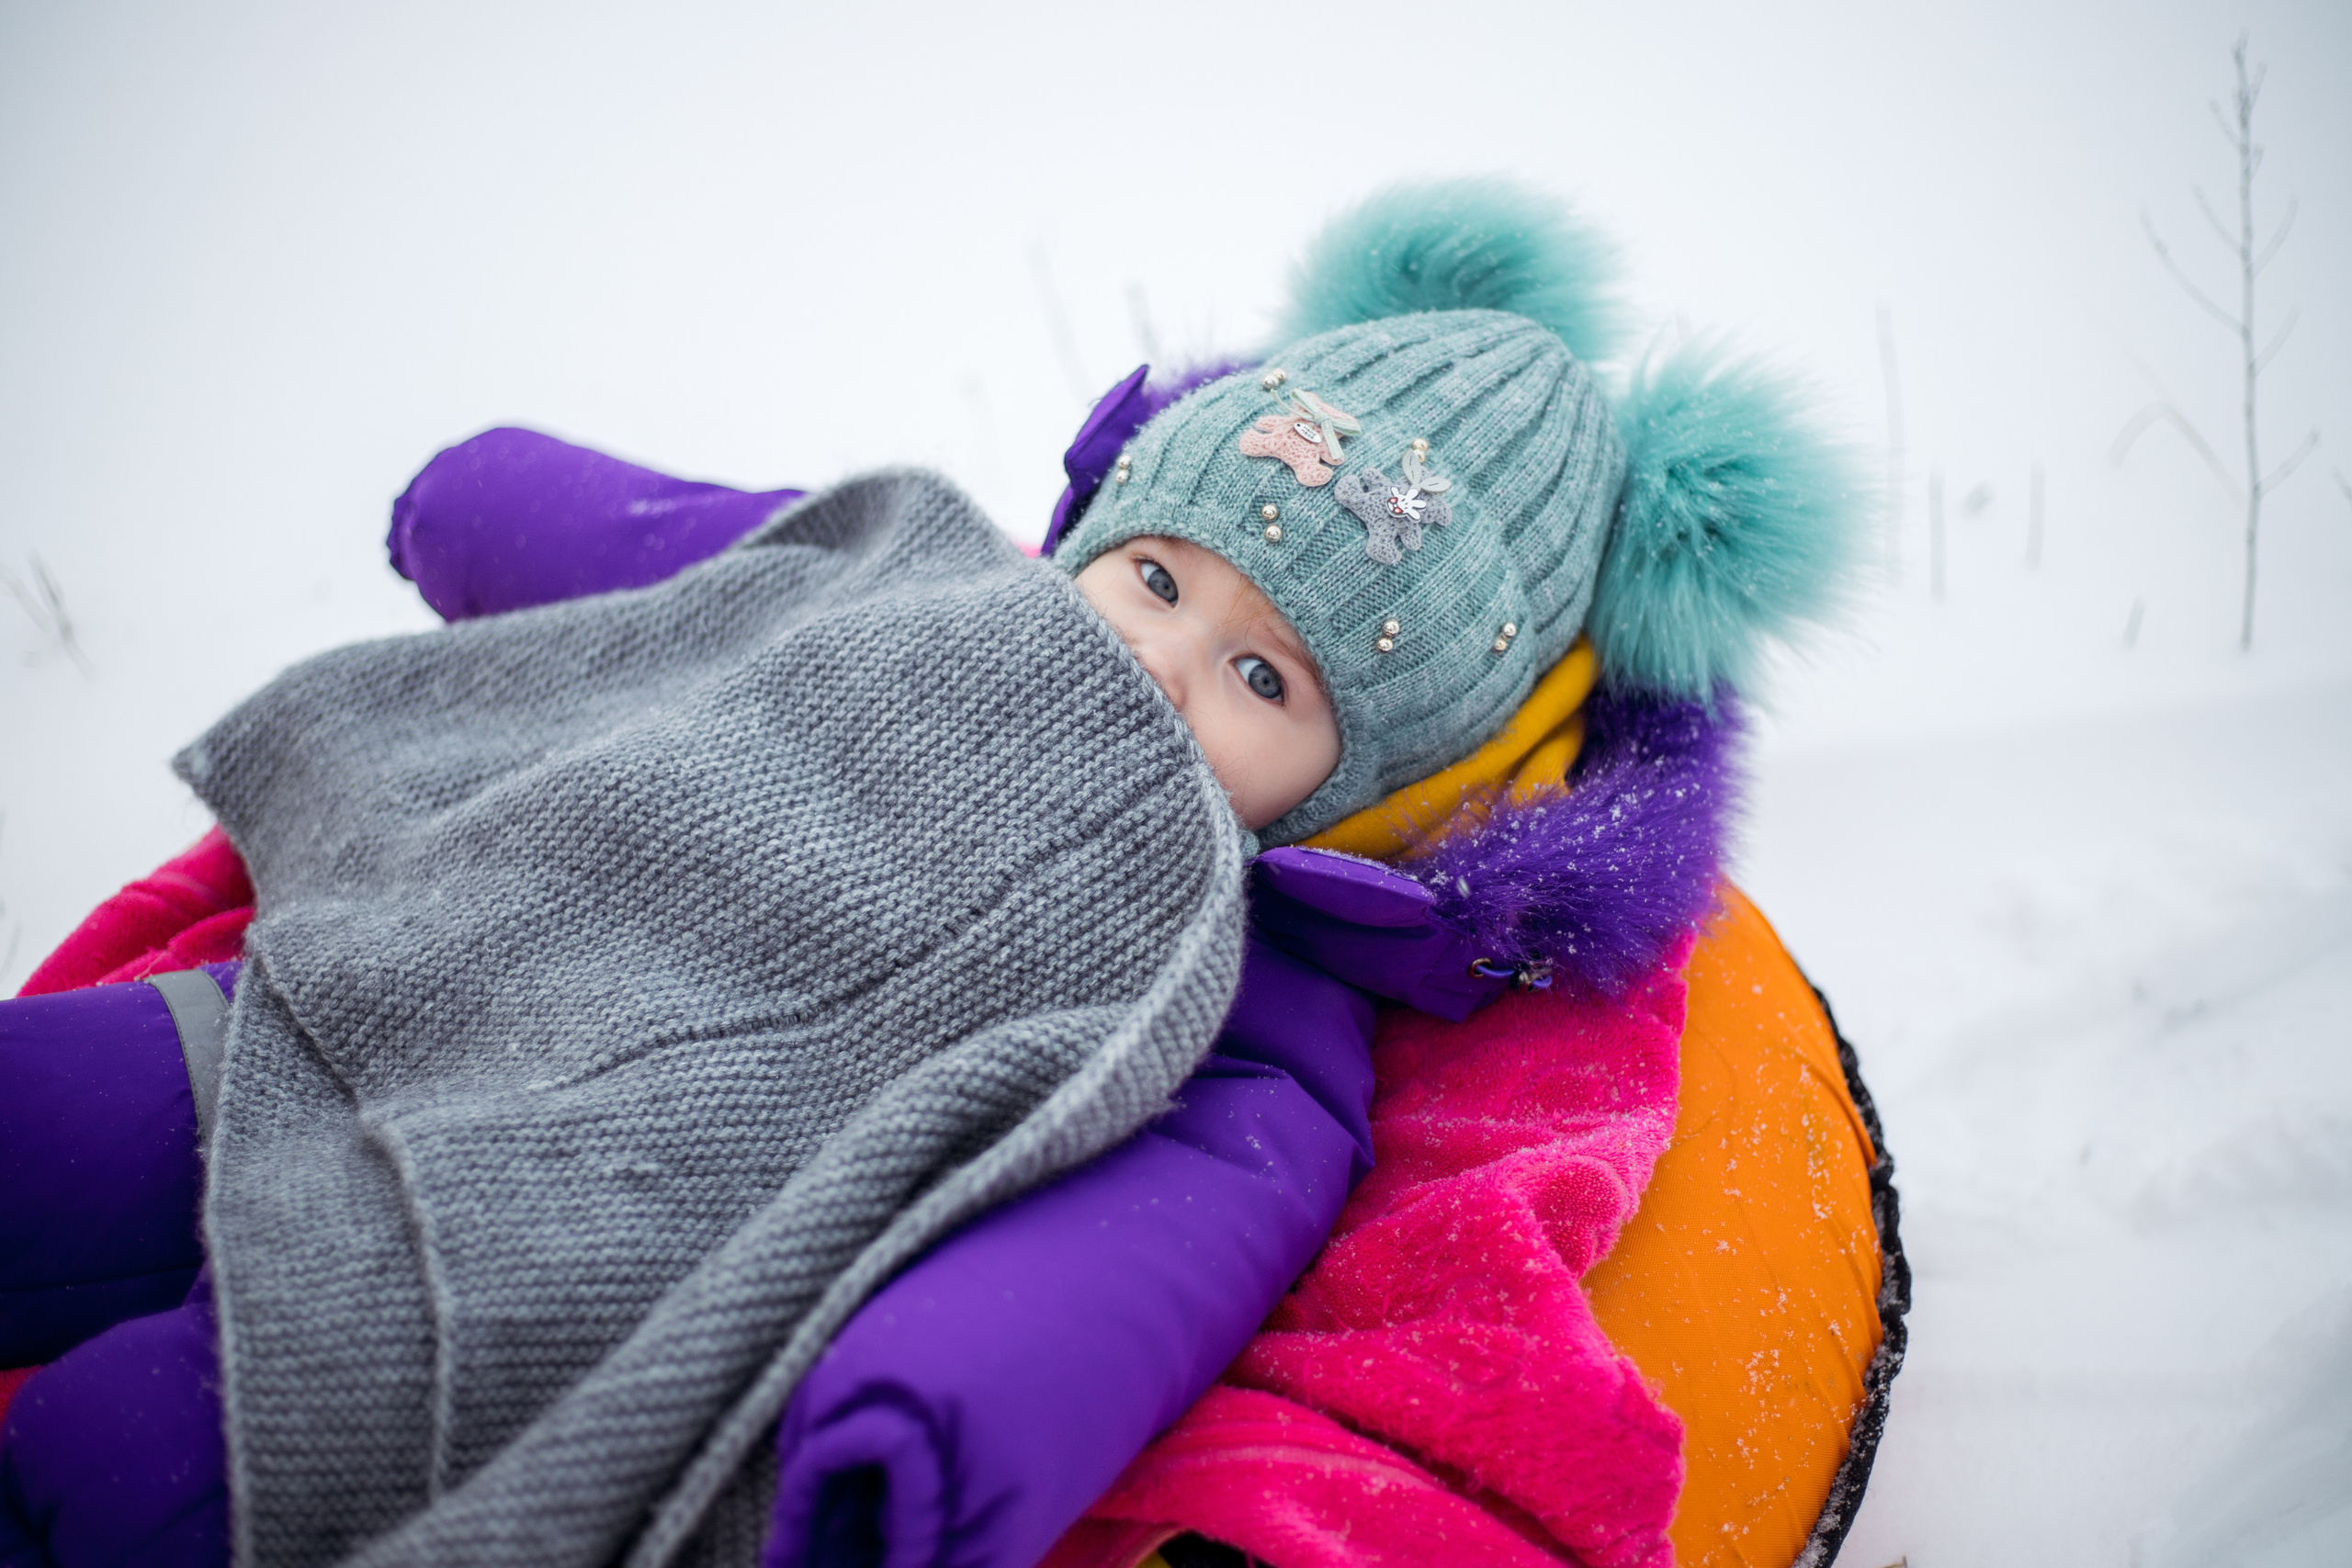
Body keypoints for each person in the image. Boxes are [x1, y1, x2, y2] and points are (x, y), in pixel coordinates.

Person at [0, 178, 1860, 1568]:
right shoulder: (935, 587)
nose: (1162, 659)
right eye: (1155, 581)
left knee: (118, 1467)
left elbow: (1157, 1246)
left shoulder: (1254, 992)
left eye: (1264, 677)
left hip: (573, 1233)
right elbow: (707, 571)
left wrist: (932, 1422)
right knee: (40, 1133)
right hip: (391, 985)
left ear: (1368, 785)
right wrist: (478, 499)